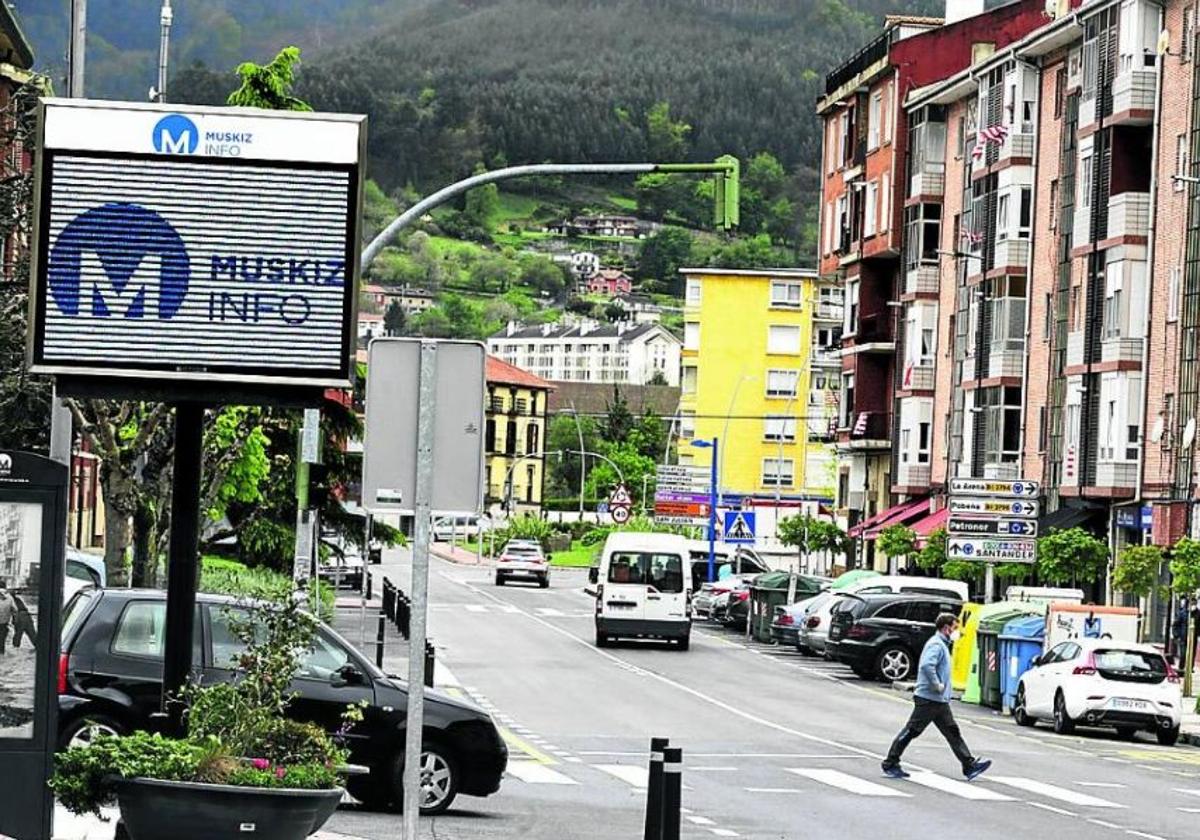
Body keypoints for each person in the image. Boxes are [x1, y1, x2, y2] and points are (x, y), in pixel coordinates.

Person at [882, 613, 991, 781]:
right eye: (955, 628)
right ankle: (890, 762)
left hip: (939, 701)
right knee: (912, 730)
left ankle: (969, 765)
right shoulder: (936, 645)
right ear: (946, 628)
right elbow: (927, 665)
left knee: (952, 732)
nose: (957, 632)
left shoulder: (942, 644)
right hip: (929, 699)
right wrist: (936, 684)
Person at [0, 580, 14, 655]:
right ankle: (1, 653)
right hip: (4, 623)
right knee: (2, 640)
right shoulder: (10, 597)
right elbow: (15, 610)